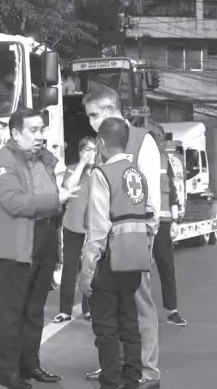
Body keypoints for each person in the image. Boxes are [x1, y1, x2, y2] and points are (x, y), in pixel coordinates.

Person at [0, 108, 78, 389]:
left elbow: (59, 193)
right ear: (16, 133)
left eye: (42, 130)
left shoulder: (44, 161)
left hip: (44, 241)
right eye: (34, 131)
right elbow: (16, 203)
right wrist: (56, 199)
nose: (40, 136)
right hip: (16, 247)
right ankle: (9, 374)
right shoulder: (4, 160)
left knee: (34, 310)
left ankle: (30, 366)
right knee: (10, 313)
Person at [81, 88, 162, 387]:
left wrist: (145, 243)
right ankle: (117, 367)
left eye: (94, 114)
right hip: (111, 245)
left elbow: (150, 199)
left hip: (130, 242)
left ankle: (147, 371)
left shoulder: (143, 141)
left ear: (110, 109)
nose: (91, 122)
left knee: (138, 309)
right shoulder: (103, 144)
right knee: (120, 313)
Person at [52, 136, 97, 324]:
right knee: (70, 268)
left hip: (93, 229)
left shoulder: (98, 173)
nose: (91, 153)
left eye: (94, 149)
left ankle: (89, 309)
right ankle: (65, 310)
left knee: (90, 270)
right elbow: (67, 187)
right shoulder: (72, 169)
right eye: (87, 149)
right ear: (80, 152)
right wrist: (82, 164)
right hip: (72, 226)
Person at [147, 125, 187, 326]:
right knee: (138, 269)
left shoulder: (165, 162)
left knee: (167, 268)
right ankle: (138, 311)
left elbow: (171, 191)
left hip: (162, 224)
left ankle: (172, 310)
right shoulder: (135, 161)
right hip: (143, 224)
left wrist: (175, 221)